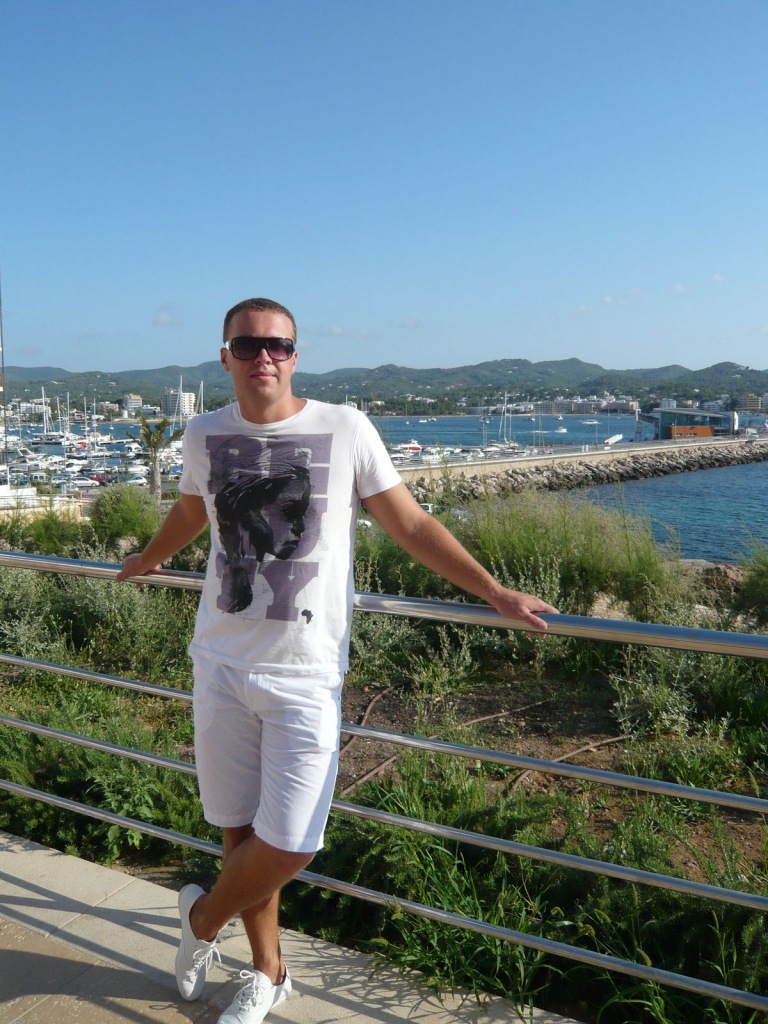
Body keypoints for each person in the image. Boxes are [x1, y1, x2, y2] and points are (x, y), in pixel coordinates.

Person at [116, 297, 557, 1024]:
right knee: (238, 831)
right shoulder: (203, 432)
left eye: (278, 345)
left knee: (291, 842)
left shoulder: (345, 427)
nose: (264, 357)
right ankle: (268, 973)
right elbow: (194, 510)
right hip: (219, 660)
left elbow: (409, 521)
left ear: (297, 355)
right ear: (224, 357)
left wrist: (494, 591)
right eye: (248, 345)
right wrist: (148, 557)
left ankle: (200, 919)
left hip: (306, 671)